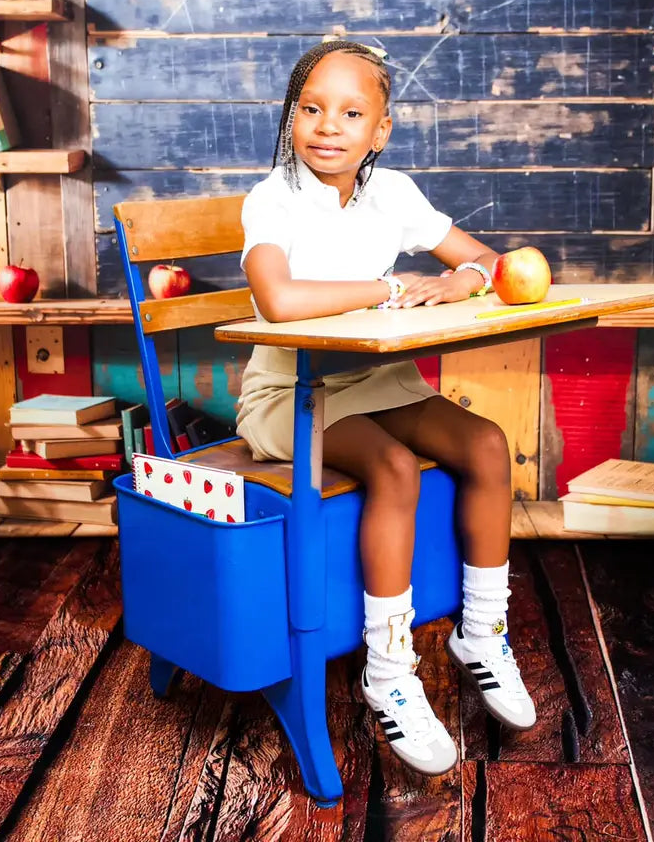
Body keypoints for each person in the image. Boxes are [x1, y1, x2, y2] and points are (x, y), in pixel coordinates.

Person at [236, 38, 536, 777]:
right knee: (394, 468)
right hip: (289, 394)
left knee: (488, 444)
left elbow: (486, 263)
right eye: (310, 109)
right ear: (290, 116)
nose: (327, 127)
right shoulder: (273, 198)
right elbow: (278, 299)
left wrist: (455, 283)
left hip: (378, 381)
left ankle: (482, 632)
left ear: (382, 129)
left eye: (350, 112)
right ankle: (390, 670)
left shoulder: (393, 194)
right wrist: (388, 289)